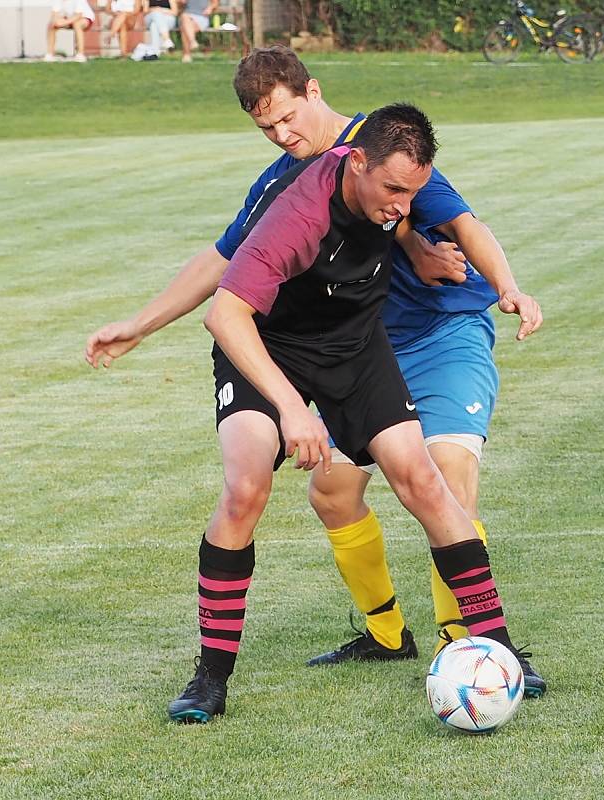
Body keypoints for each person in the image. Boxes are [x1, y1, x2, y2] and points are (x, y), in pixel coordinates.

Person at [84, 47, 546, 702]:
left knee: (423, 477)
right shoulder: (290, 201)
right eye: (265, 127)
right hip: (265, 344)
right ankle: (209, 679)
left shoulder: (389, 154)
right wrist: (285, 406)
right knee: (246, 484)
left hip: (356, 343)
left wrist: (487, 278)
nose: (402, 204)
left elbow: (443, 219)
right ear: (356, 167)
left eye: (286, 119)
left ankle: (495, 650)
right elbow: (226, 309)